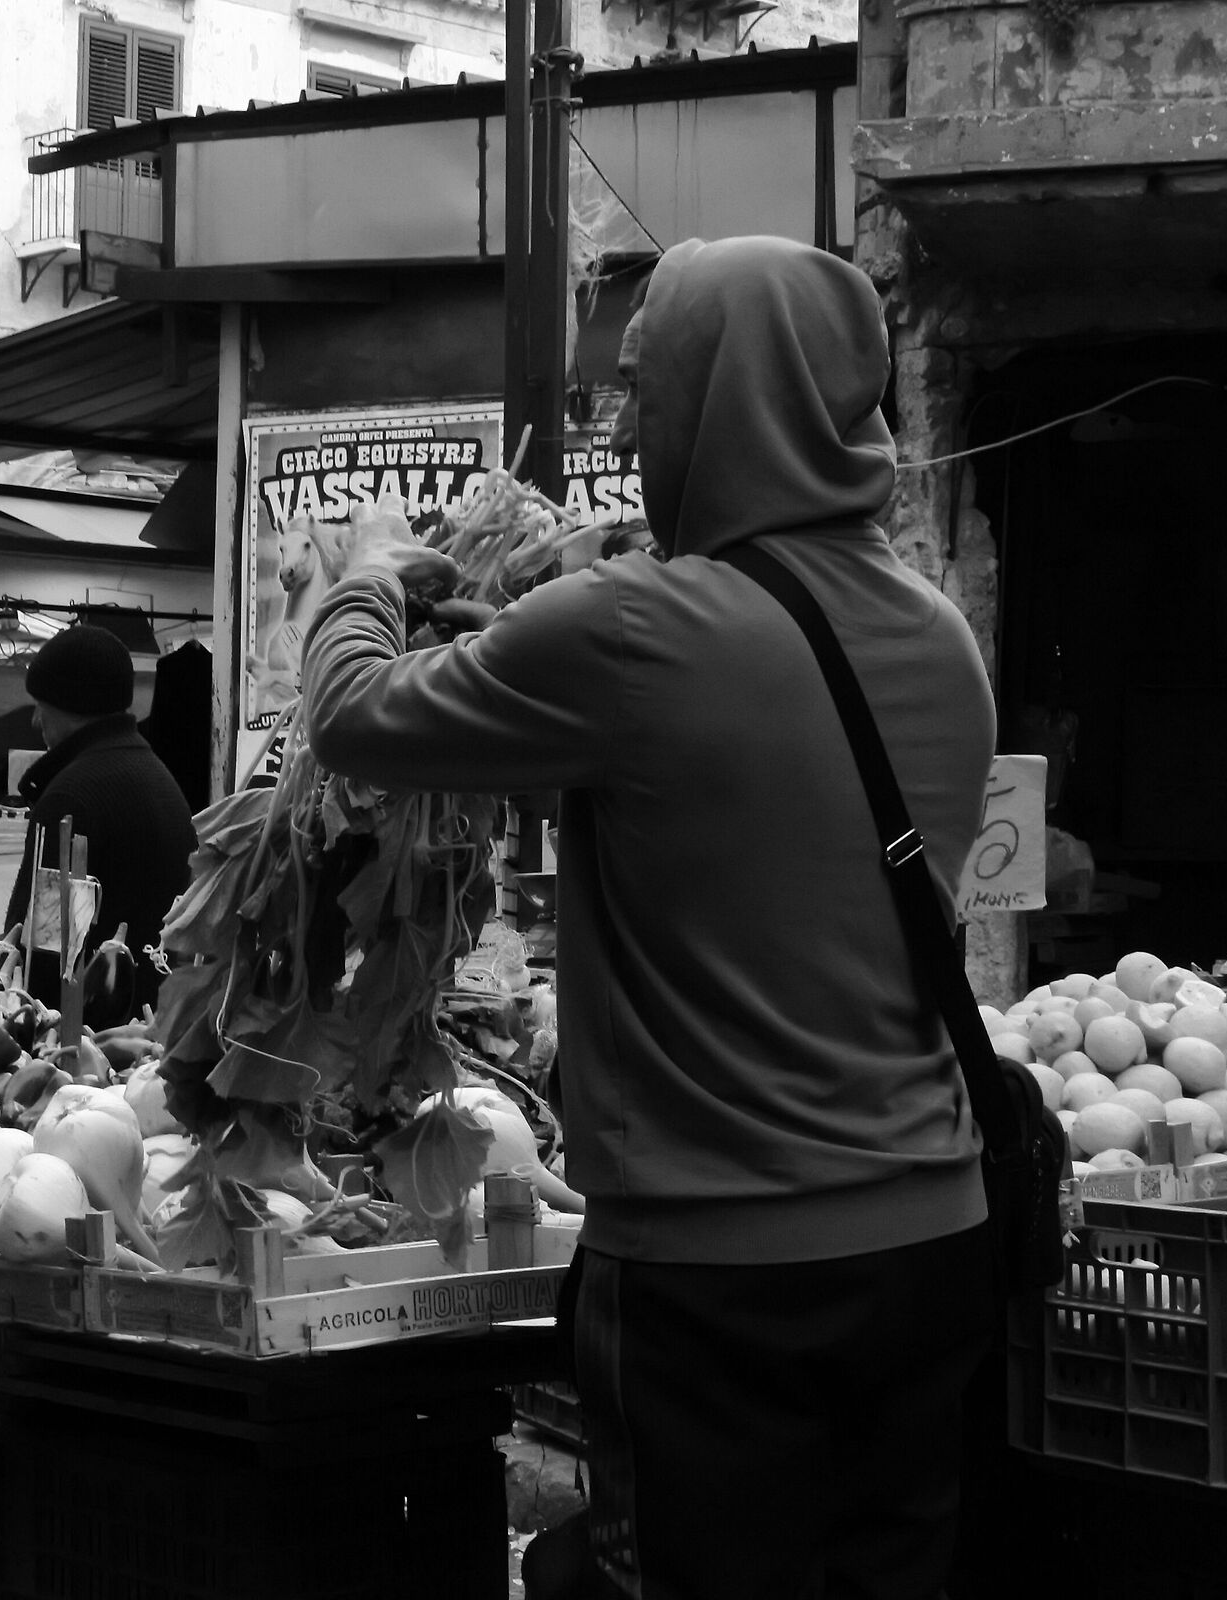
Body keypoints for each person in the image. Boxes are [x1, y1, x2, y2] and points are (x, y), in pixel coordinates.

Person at [301, 236, 998, 1599]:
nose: (621, 423)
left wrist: (371, 574)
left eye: (643, 385)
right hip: (931, 1247)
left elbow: (350, 718)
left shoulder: (636, 628)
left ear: (725, 399)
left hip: (722, 1276)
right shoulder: (940, 632)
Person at [3, 625, 197, 1029]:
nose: (36, 719)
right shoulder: (158, 777)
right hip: (156, 1029)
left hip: (88, 1042)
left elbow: (38, 954)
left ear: (69, 702)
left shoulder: (69, 797)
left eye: (42, 704)